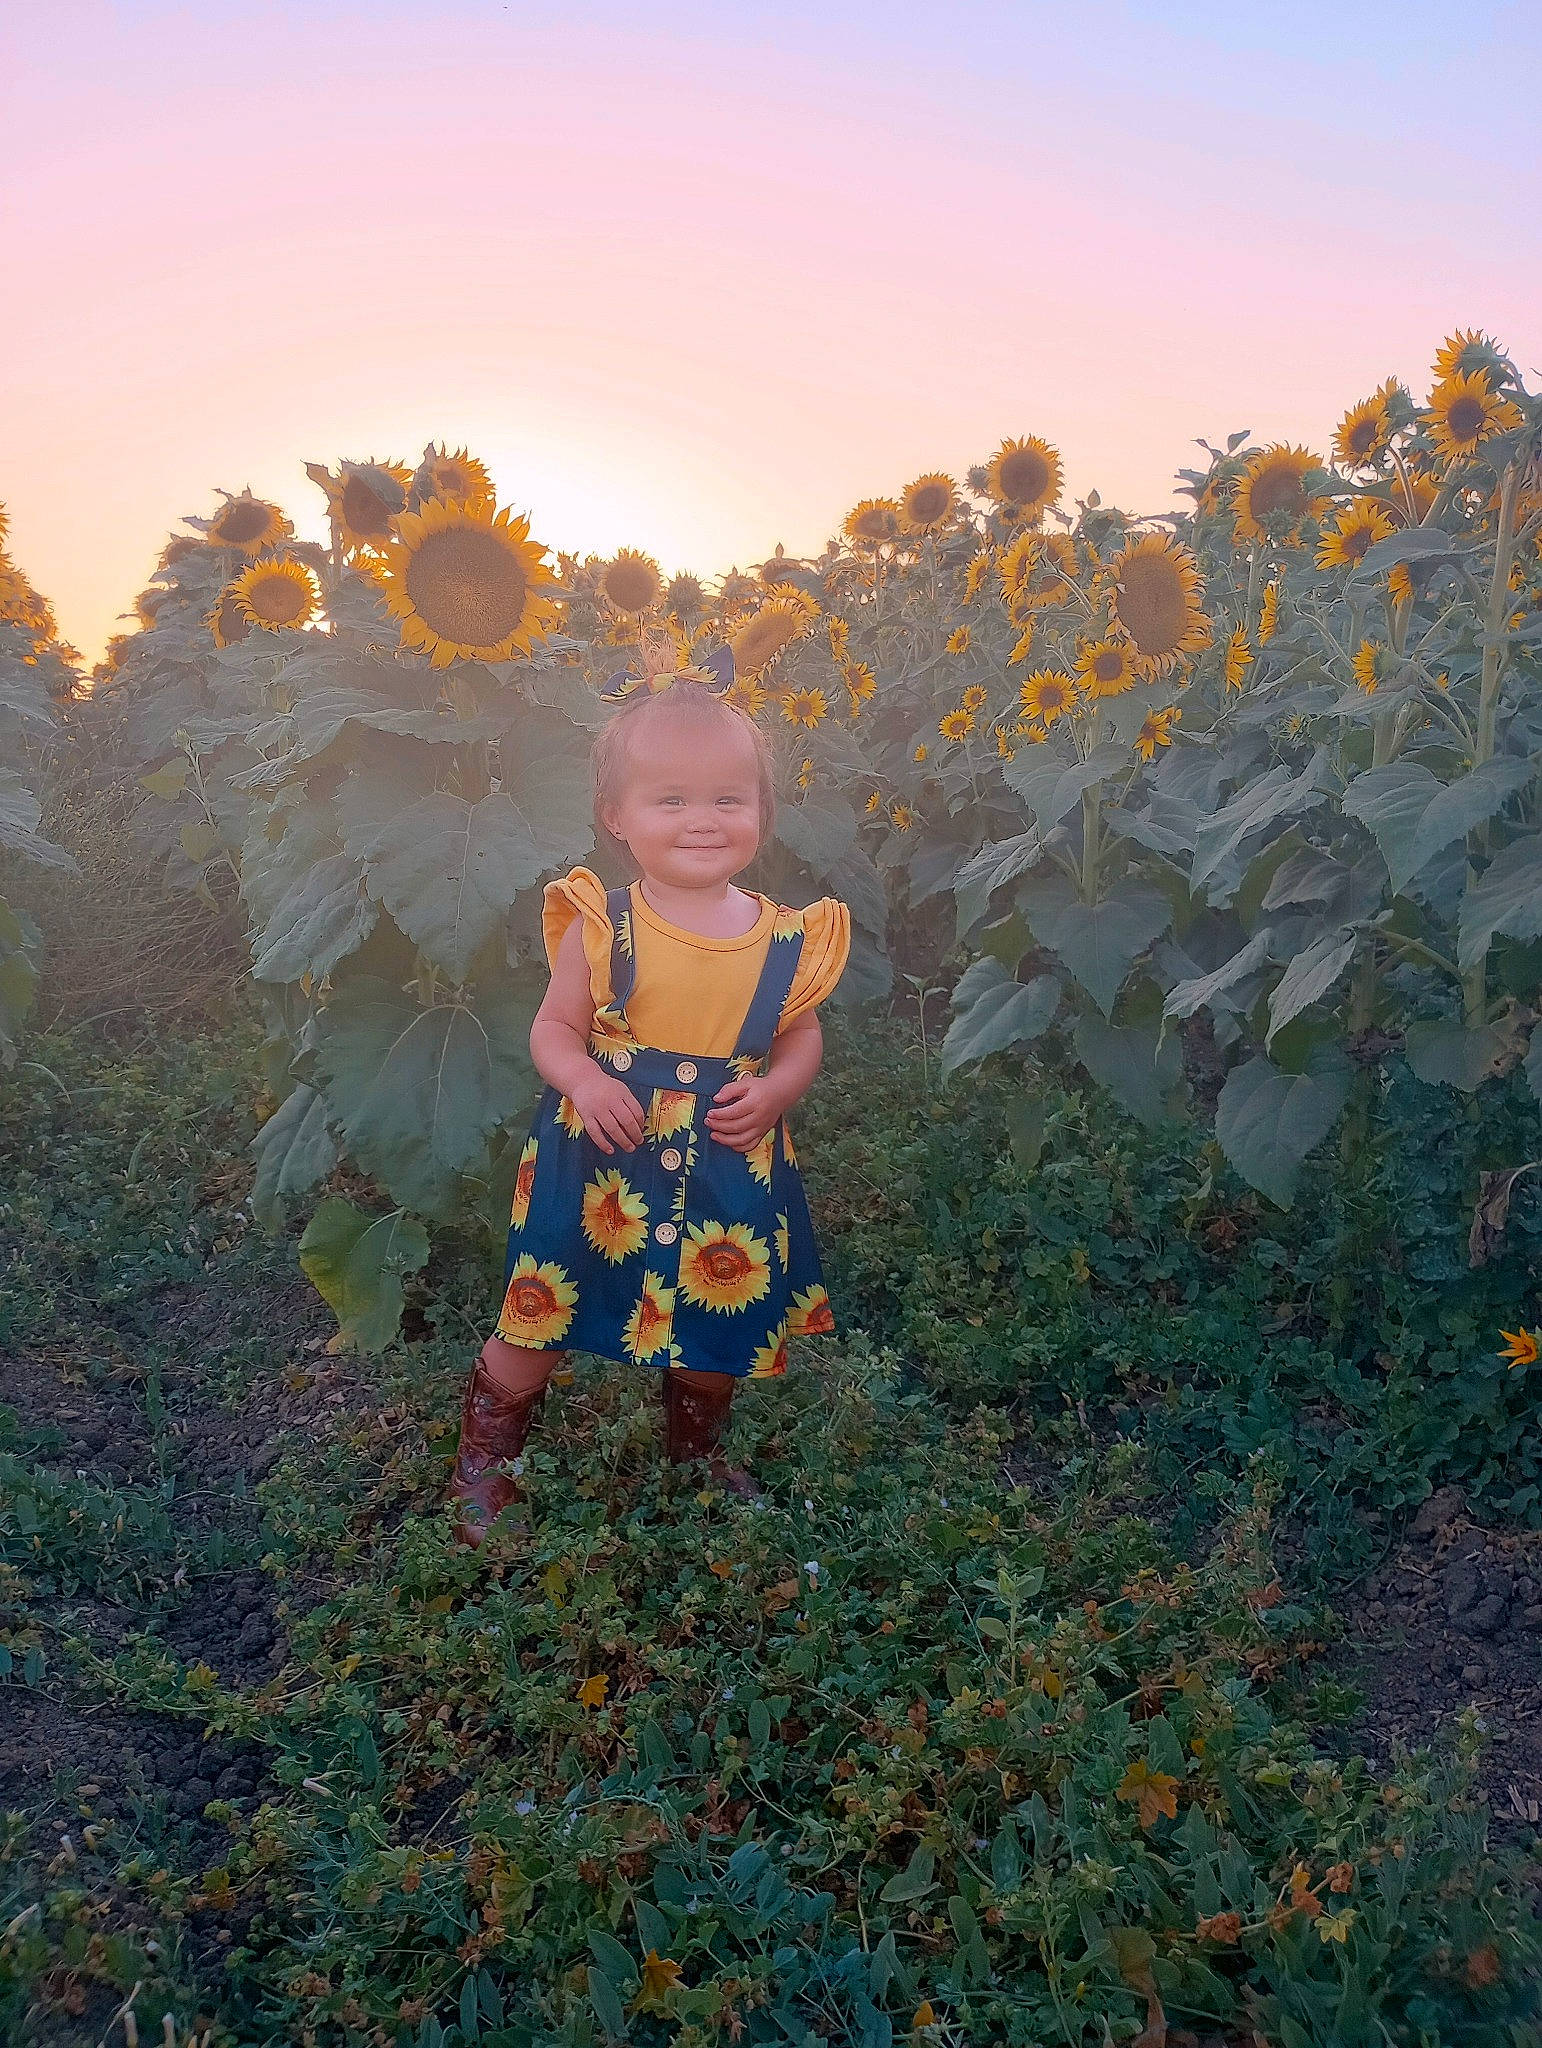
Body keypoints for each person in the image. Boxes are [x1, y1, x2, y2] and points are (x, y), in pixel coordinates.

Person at [448, 645, 851, 1544]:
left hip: (727, 1160)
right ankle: (487, 1462)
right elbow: (553, 1029)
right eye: (670, 800)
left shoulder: (785, 939)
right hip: (604, 1153)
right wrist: (585, 1079)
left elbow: (800, 1035)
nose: (701, 821)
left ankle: (698, 1454)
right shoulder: (603, 924)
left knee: (719, 1313)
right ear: (616, 816)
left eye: (726, 799)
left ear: (762, 812)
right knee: (542, 1305)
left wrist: (779, 1090)